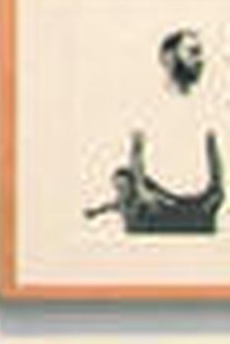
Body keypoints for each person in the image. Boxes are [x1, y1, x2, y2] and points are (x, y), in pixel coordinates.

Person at [86, 28, 224, 234]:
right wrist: (143, 193)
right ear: (168, 58)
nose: (201, 60)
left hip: (199, 210)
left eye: (201, 53)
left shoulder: (207, 103)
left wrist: (218, 189)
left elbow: (212, 148)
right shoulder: (145, 101)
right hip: (158, 210)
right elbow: (136, 151)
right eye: (192, 52)